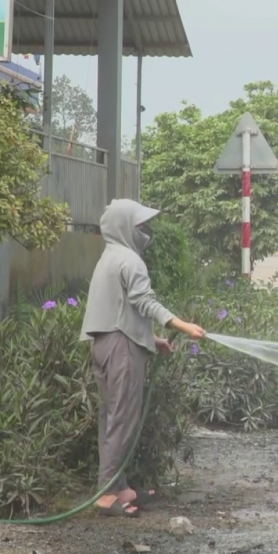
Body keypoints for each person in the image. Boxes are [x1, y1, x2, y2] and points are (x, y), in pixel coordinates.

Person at [80, 199, 207, 517]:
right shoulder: (130, 261)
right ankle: (107, 495)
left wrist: (151, 338)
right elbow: (144, 302)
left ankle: (118, 488)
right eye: (139, 225)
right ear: (124, 227)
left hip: (105, 345)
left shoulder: (108, 259)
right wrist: (180, 324)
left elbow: (118, 311)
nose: (144, 231)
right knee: (121, 421)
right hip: (121, 349)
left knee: (112, 419)